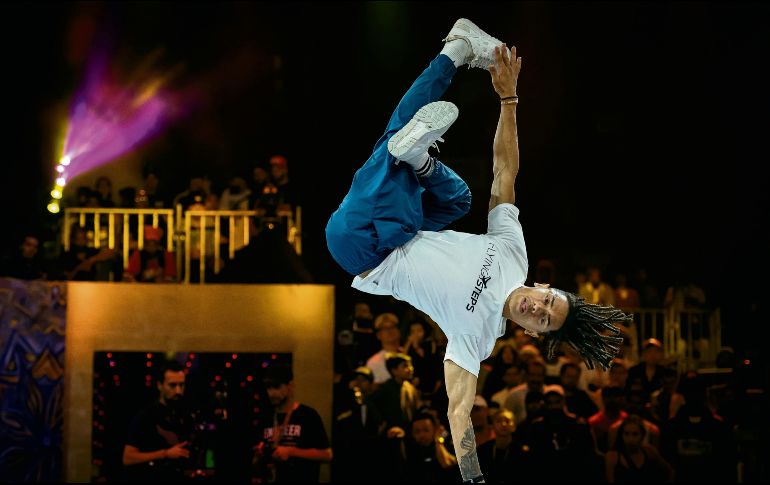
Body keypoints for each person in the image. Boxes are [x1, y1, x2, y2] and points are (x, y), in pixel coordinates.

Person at [325, 18, 632, 483]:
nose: (538, 308)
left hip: (362, 247)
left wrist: (472, 475)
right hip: (399, 224)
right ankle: (428, 127)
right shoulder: (514, 254)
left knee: (393, 147)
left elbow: (459, 409)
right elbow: (505, 172)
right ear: (544, 286)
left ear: (530, 332)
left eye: (543, 319)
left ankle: (435, 100)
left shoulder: (479, 337)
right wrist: (508, 100)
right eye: (548, 301)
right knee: (461, 199)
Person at [254, 364, 332, 483]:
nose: (271, 393)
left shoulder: (307, 415)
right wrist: (259, 454)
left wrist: (291, 451)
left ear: (290, 386)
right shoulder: (266, 416)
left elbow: (327, 455)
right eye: (268, 388)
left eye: (276, 387)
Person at [123, 361, 192, 482]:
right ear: (160, 385)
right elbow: (128, 458)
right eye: (172, 385)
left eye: (182, 385)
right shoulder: (146, 416)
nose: (178, 391)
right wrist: (165, 454)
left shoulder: (185, 416)